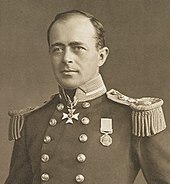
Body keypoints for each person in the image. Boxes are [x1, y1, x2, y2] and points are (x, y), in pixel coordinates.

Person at [5, 10, 170, 184]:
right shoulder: (33, 122)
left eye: (78, 48)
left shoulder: (135, 119)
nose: (67, 58)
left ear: (101, 56)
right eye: (58, 49)